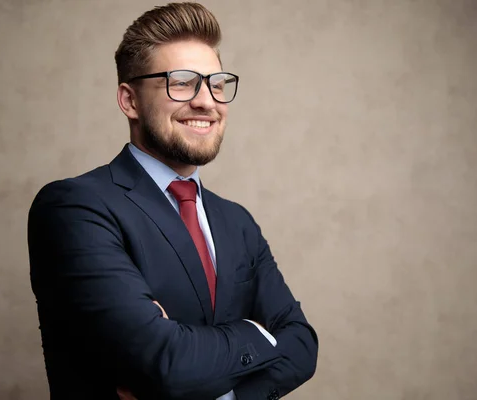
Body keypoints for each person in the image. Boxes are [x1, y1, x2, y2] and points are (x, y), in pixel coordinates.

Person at [28, 3, 318, 399]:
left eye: (216, 84)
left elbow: (302, 345)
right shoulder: (75, 208)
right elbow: (166, 362)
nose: (206, 101)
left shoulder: (237, 221)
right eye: (181, 82)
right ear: (129, 100)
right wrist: (259, 334)